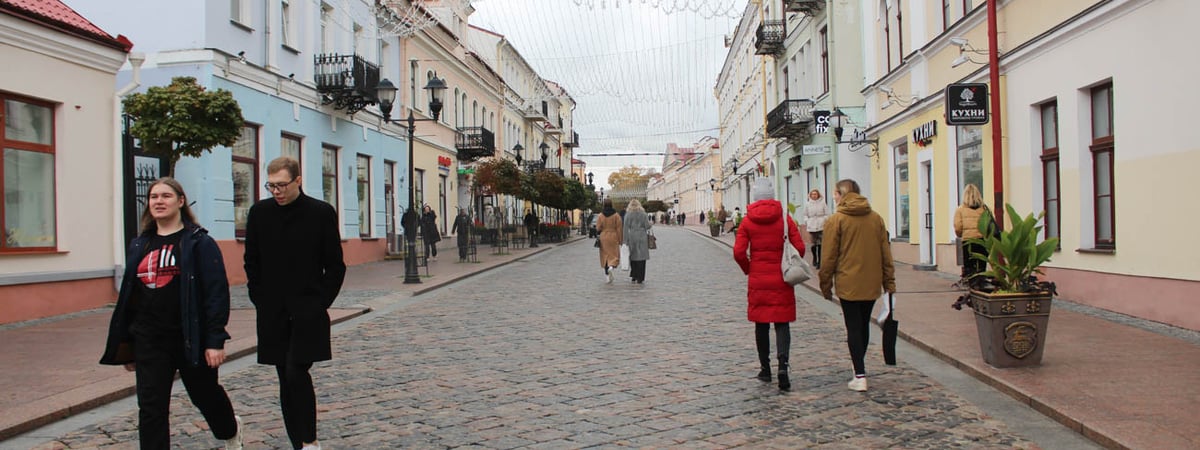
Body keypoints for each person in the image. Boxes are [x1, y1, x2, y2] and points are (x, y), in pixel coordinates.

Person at [100, 177, 243, 450]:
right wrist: (128, 345)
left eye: (166, 196)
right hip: (149, 339)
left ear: (180, 201)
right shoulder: (140, 244)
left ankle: (230, 429)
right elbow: (131, 298)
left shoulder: (199, 243)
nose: (159, 201)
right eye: (154, 197)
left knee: (205, 396)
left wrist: (215, 340)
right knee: (151, 407)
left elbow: (216, 293)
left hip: (189, 337)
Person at [244, 157, 346, 450]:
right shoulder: (259, 213)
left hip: (307, 310)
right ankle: (298, 443)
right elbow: (252, 260)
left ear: (298, 181)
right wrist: (259, 297)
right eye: (271, 186)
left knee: (295, 370)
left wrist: (320, 302)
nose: (276, 191)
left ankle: (309, 440)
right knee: (284, 377)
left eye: (282, 185)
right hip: (272, 311)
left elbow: (335, 266)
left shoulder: (320, 213)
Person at [818, 179, 896, 393]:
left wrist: (825, 284)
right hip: (871, 282)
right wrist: (889, 283)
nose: (833, 197)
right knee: (863, 325)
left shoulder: (836, 220)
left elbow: (828, 257)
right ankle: (858, 365)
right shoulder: (876, 218)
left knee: (853, 326)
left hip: (848, 282)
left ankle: (859, 375)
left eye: (835, 193)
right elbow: (886, 254)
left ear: (841, 194)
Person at [733, 178, 805, 392]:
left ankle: (765, 369)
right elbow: (800, 247)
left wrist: (748, 268)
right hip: (782, 277)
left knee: (761, 324)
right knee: (782, 323)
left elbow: (738, 252)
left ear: (755, 197)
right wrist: (788, 262)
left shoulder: (747, 221)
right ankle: (783, 366)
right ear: (772, 196)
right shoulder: (784, 218)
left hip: (758, 278)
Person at [954, 184, 989, 282]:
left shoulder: (960, 210)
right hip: (982, 241)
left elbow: (958, 227)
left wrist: (961, 234)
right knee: (981, 264)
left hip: (968, 241)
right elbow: (990, 224)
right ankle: (981, 282)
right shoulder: (985, 209)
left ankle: (971, 284)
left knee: (969, 265)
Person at [623, 199, 652, 284]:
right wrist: (650, 224)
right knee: (642, 258)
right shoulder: (643, 214)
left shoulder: (628, 214)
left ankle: (634, 275)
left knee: (633, 256)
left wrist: (625, 240)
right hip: (642, 236)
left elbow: (625, 228)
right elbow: (647, 226)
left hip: (632, 236)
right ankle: (640, 277)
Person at [596, 199, 624, 284]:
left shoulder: (600, 215)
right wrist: (620, 240)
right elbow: (619, 228)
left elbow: (598, 228)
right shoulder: (616, 215)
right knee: (614, 255)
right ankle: (611, 266)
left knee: (605, 256)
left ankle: (607, 276)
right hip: (613, 236)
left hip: (604, 236)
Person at [804, 189, 830, 269]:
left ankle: (820, 262)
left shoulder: (822, 203)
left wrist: (824, 220)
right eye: (812, 194)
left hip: (821, 225)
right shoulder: (808, 204)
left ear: (818, 195)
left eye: (815, 194)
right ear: (810, 195)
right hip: (811, 226)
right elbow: (805, 214)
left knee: (820, 244)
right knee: (814, 244)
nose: (814, 195)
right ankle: (815, 258)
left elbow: (827, 213)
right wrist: (807, 221)